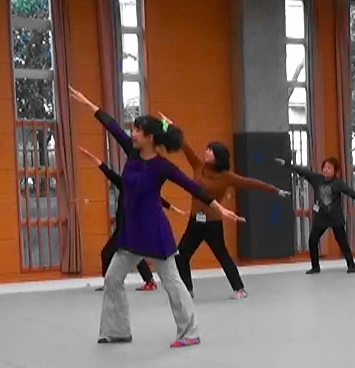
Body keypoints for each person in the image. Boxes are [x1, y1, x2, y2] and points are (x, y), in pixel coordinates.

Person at [68, 86, 244, 348]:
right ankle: (117, 330)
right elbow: (112, 127)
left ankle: (190, 332)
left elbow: (192, 187)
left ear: (149, 137)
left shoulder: (163, 166)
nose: (133, 134)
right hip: (131, 233)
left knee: (172, 283)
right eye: (133, 130)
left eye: (137, 130)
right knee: (112, 278)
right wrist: (88, 104)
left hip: (155, 233)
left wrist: (219, 207)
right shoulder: (132, 152)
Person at [162, 116, 290, 299]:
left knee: (222, 255)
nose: (206, 152)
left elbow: (252, 183)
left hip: (213, 224)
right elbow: (184, 144)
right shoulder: (198, 165)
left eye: (211, 151)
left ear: (218, 156)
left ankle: (239, 289)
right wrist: (171, 126)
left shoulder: (226, 177)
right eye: (207, 149)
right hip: (195, 221)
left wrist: (276, 190)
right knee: (181, 255)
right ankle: (187, 290)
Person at [79, 147, 186, 292]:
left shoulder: (139, 188)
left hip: (128, 227)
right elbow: (110, 173)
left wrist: (174, 208)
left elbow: (158, 199)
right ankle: (147, 281)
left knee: (109, 252)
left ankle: (112, 283)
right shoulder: (125, 185)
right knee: (135, 253)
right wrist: (96, 161)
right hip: (125, 226)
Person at [275, 156, 355, 274]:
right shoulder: (317, 179)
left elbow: (351, 193)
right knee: (313, 240)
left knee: (342, 241)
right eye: (325, 167)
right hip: (321, 217)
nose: (326, 170)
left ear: (335, 171)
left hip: (335, 217)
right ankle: (315, 266)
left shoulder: (338, 183)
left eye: (329, 168)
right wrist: (286, 164)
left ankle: (351, 264)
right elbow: (303, 171)